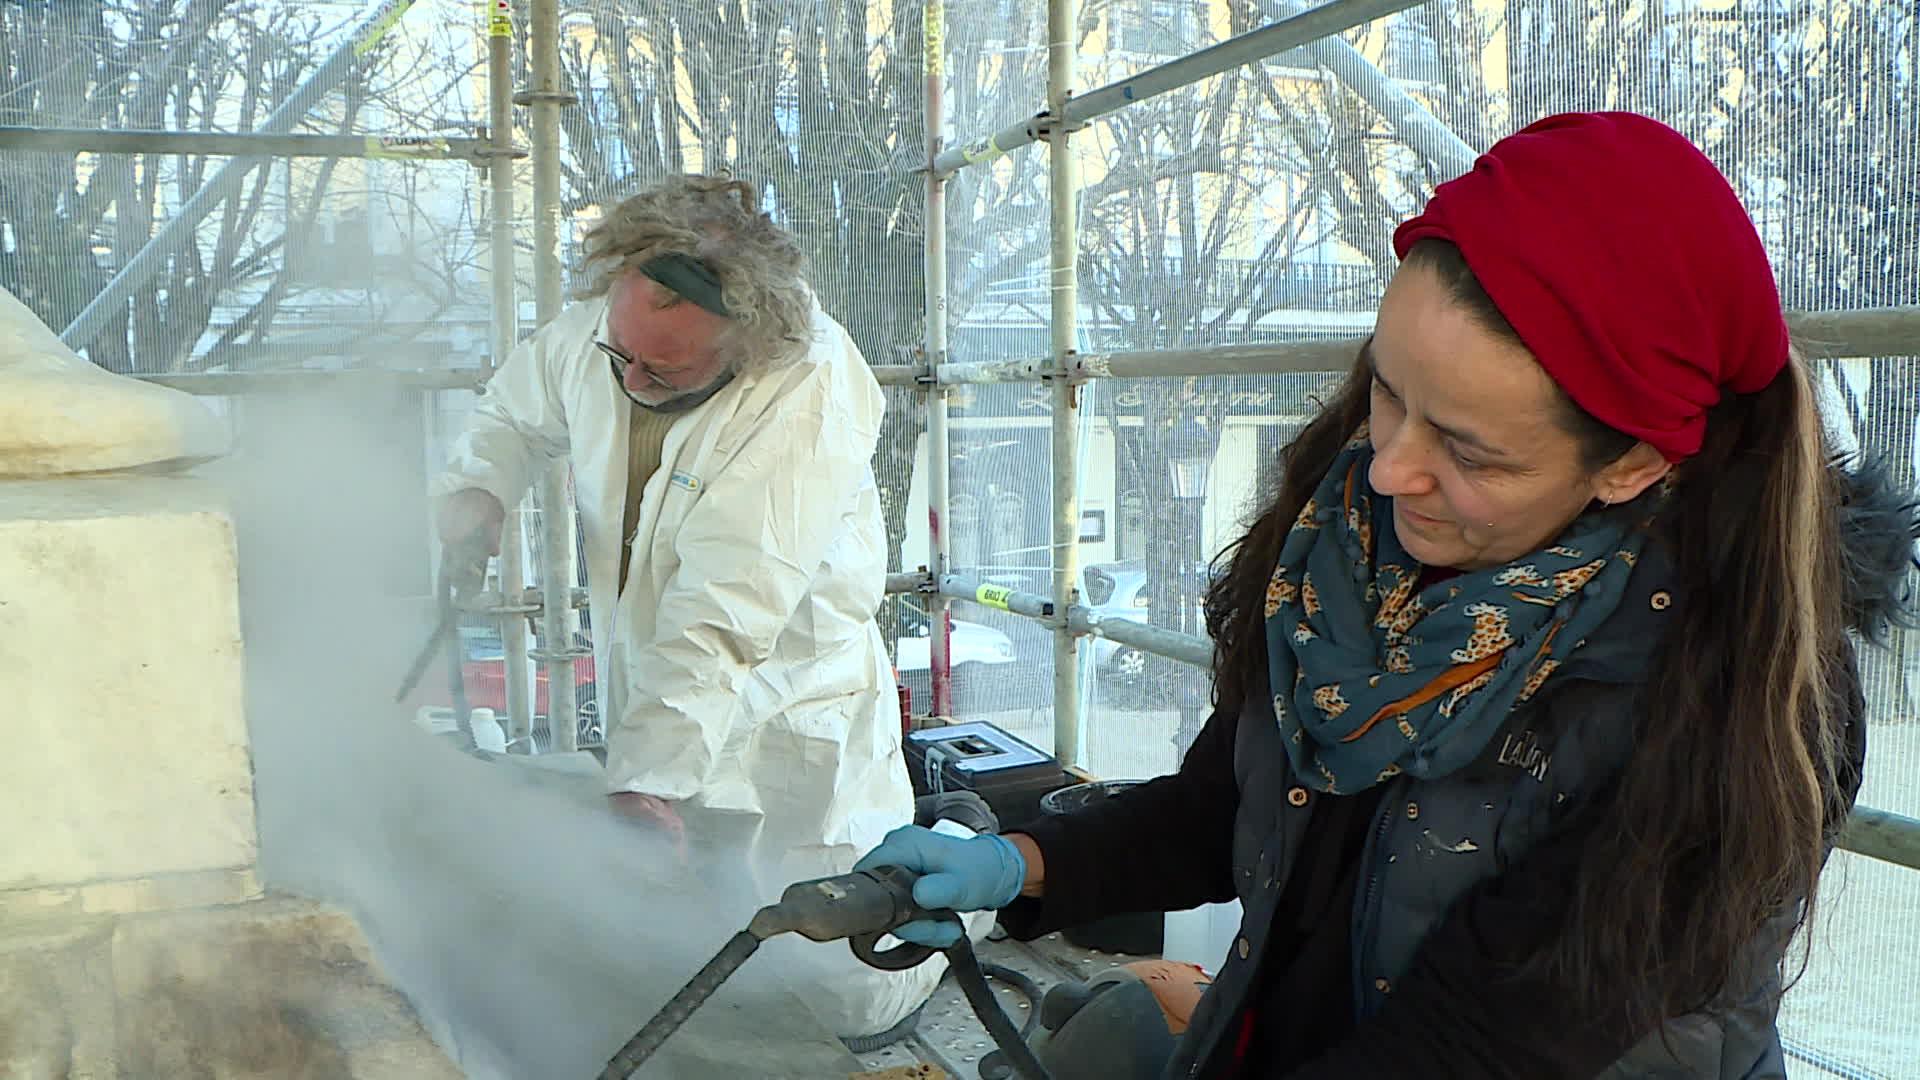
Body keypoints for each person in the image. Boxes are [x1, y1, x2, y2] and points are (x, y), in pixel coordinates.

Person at [856, 111, 1919, 1077]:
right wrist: (1020, 862)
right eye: (1388, 388)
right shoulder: (1347, 550)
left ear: (1631, 466)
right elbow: (1235, 803)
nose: (1385, 468)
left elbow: (1482, 1042)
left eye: (1467, 449)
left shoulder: (1736, 693)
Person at [433, 174, 945, 1044]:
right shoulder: (619, 324)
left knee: (828, 942)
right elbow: (517, 412)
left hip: (786, 683)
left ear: (748, 344)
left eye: (663, 369)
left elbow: (725, 606)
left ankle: (877, 1009)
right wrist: (482, 487)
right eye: (619, 355)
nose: (630, 377)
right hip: (672, 667)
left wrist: (645, 780)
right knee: (685, 916)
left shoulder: (805, 387)